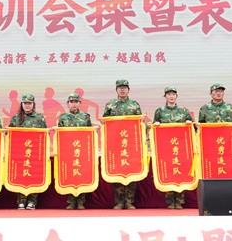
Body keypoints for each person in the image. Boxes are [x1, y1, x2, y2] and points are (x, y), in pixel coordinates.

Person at [103, 79, 143, 210]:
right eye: (120, 87)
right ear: (116, 90)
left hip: (131, 145)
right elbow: (105, 122)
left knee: (131, 172)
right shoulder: (110, 105)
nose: (122, 90)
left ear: (128, 90)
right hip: (116, 144)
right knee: (117, 172)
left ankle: (129, 201)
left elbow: (139, 123)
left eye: (125, 87)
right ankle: (119, 201)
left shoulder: (134, 105)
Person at [152, 86, 194, 209]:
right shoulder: (159, 111)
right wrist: (156, 125)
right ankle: (170, 201)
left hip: (181, 147)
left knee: (180, 170)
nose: (171, 97)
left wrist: (189, 124)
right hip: (166, 148)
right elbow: (154, 127)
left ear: (176, 96)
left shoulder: (183, 110)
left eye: (173, 94)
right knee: (169, 171)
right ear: (165, 96)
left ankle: (180, 201)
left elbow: (192, 128)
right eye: (169, 94)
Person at [9, 93, 48, 210]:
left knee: (34, 175)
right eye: (25, 103)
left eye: (29, 103)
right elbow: (10, 135)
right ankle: (21, 201)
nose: (27, 105)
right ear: (21, 104)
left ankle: (32, 201)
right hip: (19, 153)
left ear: (33, 104)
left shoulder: (39, 118)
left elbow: (44, 135)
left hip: (35, 153)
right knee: (20, 175)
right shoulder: (16, 118)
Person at [57, 92, 94, 210]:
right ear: (68, 104)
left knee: (81, 174)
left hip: (82, 151)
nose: (73, 104)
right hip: (68, 151)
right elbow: (60, 135)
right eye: (71, 102)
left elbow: (89, 134)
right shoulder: (63, 117)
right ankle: (71, 202)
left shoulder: (85, 117)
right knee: (70, 174)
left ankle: (81, 202)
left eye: (76, 102)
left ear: (79, 103)